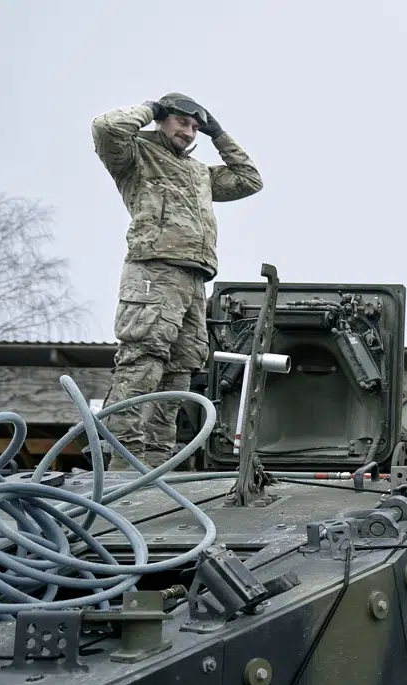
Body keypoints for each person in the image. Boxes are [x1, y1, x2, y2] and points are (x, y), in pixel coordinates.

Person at [91, 94, 263, 467]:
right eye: (182, 122)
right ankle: (119, 463)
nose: (189, 132)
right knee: (142, 361)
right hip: (153, 271)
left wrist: (218, 134)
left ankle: (154, 464)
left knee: (179, 372)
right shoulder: (136, 155)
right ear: (162, 120)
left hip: (193, 279)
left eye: (195, 126)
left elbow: (249, 180)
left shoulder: (199, 171)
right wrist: (151, 108)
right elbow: (106, 127)